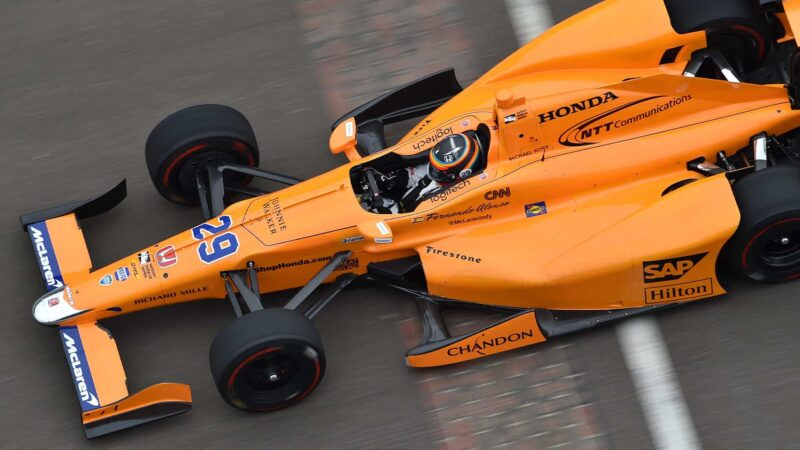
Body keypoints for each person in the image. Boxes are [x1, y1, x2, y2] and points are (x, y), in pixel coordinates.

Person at [399, 132, 483, 212]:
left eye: (437, 170)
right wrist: (400, 177)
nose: (432, 170)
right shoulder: (440, 167)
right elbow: (415, 174)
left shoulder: (452, 199)